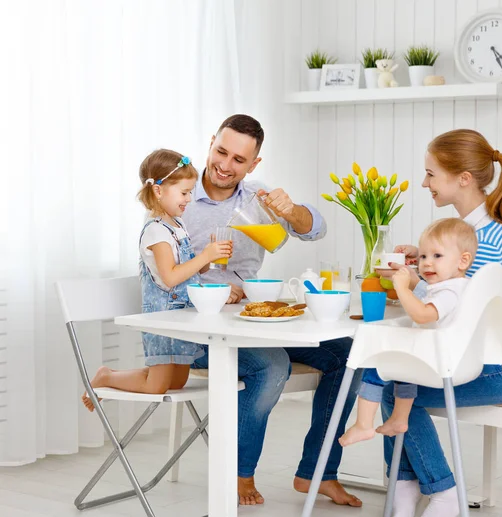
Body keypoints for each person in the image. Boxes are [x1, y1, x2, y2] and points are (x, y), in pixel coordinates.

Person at [182, 114, 363, 507]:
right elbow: (159, 272)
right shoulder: (178, 194)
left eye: (239, 160)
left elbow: (314, 228)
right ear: (211, 142)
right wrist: (209, 289)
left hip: (250, 321)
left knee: (349, 358)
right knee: (273, 366)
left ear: (254, 165)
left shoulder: (257, 199)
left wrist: (292, 209)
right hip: (194, 329)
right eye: (221, 152)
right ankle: (238, 474)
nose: (226, 165)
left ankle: (318, 472)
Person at [378, 129, 502, 517]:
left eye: (430, 174)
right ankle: (404, 494)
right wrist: (426, 260)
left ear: (462, 179)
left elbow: (442, 318)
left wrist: (410, 283)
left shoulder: (482, 243)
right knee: (401, 386)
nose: (424, 183)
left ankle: (439, 492)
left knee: (397, 392)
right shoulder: (482, 233)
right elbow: (460, 299)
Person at [82, 149, 232, 412]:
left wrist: (208, 259)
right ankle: (107, 376)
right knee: (156, 386)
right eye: (184, 192)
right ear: (159, 191)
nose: (189, 199)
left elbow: (187, 271)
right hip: (163, 319)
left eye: (190, 192)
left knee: (178, 380)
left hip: (183, 318)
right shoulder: (155, 231)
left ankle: (114, 375)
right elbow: (171, 276)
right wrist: (203, 257)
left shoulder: (177, 225)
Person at [339, 218, 477, 447]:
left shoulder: (448, 292)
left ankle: (363, 425)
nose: (427, 264)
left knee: (375, 362)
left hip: (437, 363)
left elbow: (422, 315)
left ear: (463, 261)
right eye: (423, 256)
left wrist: (402, 288)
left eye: (437, 256)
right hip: (446, 359)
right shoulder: (460, 286)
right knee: (403, 365)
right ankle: (399, 419)